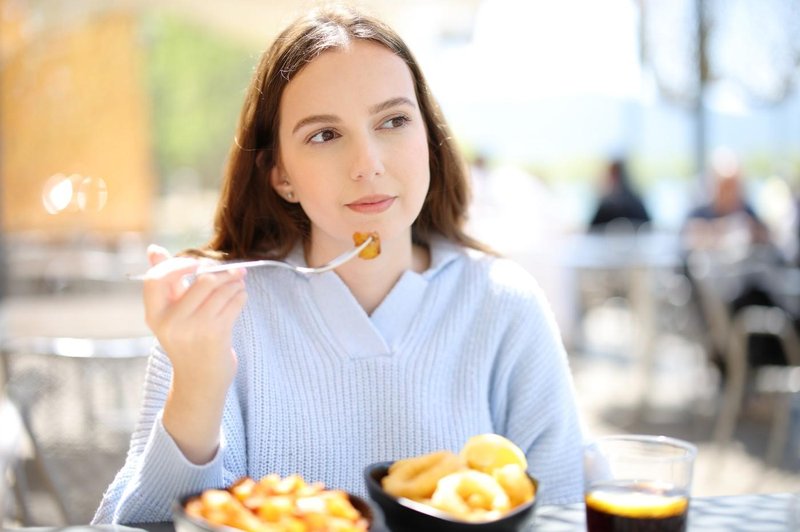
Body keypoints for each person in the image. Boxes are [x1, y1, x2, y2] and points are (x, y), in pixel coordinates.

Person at [93, 5, 585, 524]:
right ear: (281, 174)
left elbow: (566, 510)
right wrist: (197, 384)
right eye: (324, 135)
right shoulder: (217, 313)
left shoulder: (502, 302)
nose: (368, 163)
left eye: (394, 121)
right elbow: (138, 524)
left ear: (429, 138)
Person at [587, 158, 651, 231]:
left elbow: (648, 227)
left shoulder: (635, 204)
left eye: (616, 175)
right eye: (613, 176)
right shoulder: (604, 207)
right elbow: (592, 230)